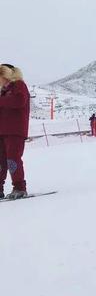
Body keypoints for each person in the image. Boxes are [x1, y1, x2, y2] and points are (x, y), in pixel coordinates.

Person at [0, 64, 30, 199]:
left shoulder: (19, 85)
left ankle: (19, 187)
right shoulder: (4, 91)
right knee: (1, 161)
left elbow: (19, 101)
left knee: (13, 158)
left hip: (15, 130)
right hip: (2, 130)